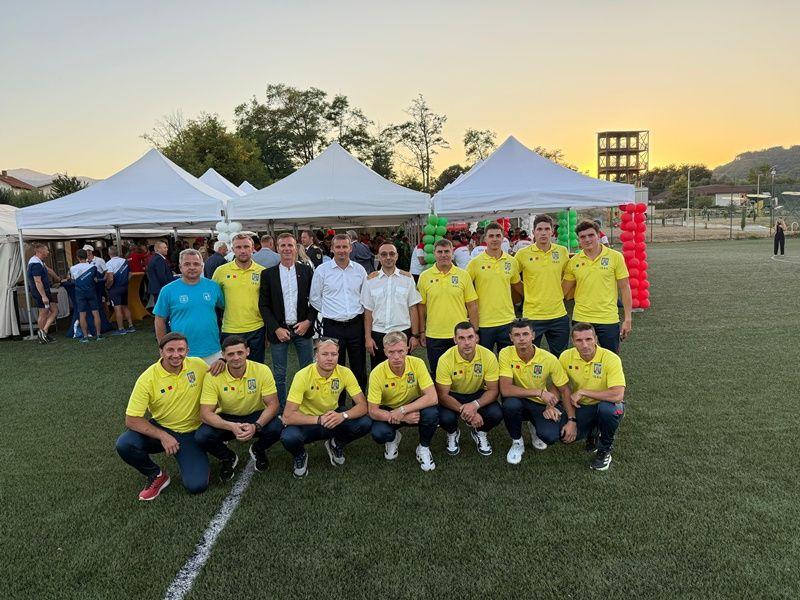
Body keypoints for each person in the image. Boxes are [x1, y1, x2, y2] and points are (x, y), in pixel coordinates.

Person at [115, 332, 209, 500]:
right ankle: (156, 475)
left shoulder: (198, 365)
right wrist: (163, 436)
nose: (176, 355)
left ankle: (197, 451)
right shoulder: (147, 378)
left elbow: (219, 377)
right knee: (125, 444)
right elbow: (131, 419)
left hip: (192, 433)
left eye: (180, 350)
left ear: (187, 351)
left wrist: (222, 362)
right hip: (163, 427)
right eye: (170, 350)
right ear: (161, 352)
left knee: (196, 486)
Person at [280, 338, 372, 478]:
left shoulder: (345, 372)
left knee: (365, 422)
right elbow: (287, 416)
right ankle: (300, 455)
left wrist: (342, 416)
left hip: (332, 419)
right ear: (316, 355)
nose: (330, 358)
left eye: (333, 354)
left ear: (338, 355)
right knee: (289, 437)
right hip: (308, 422)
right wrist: (319, 419)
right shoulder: (302, 375)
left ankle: (336, 444)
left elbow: (363, 406)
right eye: (325, 354)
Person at [195, 335, 284, 478]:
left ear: (247, 351)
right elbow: (205, 414)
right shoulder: (213, 375)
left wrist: (256, 426)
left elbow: (273, 405)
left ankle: (258, 449)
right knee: (202, 436)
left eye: (240, 353)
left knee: (278, 426)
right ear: (223, 355)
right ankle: (227, 457)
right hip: (227, 417)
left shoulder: (262, 370)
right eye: (230, 354)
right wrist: (231, 426)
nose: (236, 357)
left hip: (255, 414)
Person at [499, 319, 572, 465]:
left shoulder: (548, 358)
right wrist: (539, 392)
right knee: (510, 405)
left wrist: (554, 407)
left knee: (550, 437)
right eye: (517, 335)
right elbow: (506, 389)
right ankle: (517, 442)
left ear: (533, 335)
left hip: (540, 403)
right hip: (517, 399)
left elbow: (563, 388)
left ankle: (534, 425)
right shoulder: (505, 353)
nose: (521, 339)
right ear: (511, 337)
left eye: (525, 334)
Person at [259, 233, 317, 408]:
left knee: (307, 372)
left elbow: (315, 300)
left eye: (290, 245)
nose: (286, 249)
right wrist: (276, 328)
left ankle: (307, 406)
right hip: (279, 331)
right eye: (283, 245)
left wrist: (308, 322)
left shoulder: (306, 271)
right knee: (279, 374)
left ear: (296, 248)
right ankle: (281, 409)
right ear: (277, 248)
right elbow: (263, 305)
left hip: (303, 329)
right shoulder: (268, 274)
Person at [559, 322, 626, 471]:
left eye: (588, 339)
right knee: (563, 436)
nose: (584, 345)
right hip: (582, 405)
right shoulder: (566, 356)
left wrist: (583, 392)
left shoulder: (611, 358)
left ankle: (604, 450)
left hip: (607, 404)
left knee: (607, 411)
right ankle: (593, 431)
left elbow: (617, 394)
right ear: (573, 341)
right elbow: (561, 387)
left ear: (595, 339)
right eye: (579, 340)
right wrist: (570, 419)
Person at [368, 331, 439, 472]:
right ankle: (393, 438)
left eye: (400, 351)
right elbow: (372, 411)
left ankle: (423, 447)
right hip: (390, 409)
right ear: (385, 352)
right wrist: (402, 417)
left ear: (407, 349)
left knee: (432, 413)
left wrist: (403, 410)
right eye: (391, 352)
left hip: (412, 406)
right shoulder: (376, 373)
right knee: (379, 433)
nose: (396, 357)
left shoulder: (417, 363)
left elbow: (432, 397)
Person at [310, 233, 368, 401]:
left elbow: (365, 296)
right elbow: (314, 297)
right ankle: (338, 404)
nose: (341, 250)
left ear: (350, 248)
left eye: (345, 247)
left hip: (355, 324)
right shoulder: (322, 270)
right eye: (338, 247)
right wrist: (330, 311)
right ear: (332, 248)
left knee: (359, 366)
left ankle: (360, 404)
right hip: (332, 326)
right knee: (334, 366)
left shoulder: (359, 270)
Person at [562, 220, 632, 354]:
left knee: (610, 358)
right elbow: (563, 291)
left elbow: (625, 288)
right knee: (583, 358)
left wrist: (628, 319)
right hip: (581, 318)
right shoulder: (573, 261)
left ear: (598, 235)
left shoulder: (615, 257)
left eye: (591, 235)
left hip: (608, 318)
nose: (587, 239)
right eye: (583, 237)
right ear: (578, 240)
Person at [435, 322, 502, 457]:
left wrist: (475, 405)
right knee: (444, 418)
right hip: (453, 395)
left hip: (478, 393)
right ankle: (453, 433)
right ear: (455, 340)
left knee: (496, 414)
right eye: (461, 338)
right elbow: (442, 395)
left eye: (470, 337)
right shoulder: (445, 359)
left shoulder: (488, 356)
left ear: (476, 338)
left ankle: (480, 432)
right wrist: (468, 411)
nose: (466, 343)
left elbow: (493, 391)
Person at [417, 238, 479, 375]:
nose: (443, 255)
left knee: (462, 373)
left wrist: (474, 331)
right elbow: (421, 308)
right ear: (434, 253)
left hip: (460, 334)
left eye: (447, 251)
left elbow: (472, 305)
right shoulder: (424, 277)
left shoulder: (463, 275)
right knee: (438, 373)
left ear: (452, 253)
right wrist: (421, 332)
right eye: (440, 252)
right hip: (434, 334)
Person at [154, 249, 226, 367]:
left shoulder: (213, 286)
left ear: (202, 266)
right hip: (181, 352)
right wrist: (163, 347)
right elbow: (159, 319)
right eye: (187, 264)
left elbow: (225, 308)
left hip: (212, 350)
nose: (192, 267)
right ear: (180, 267)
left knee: (213, 379)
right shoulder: (168, 290)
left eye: (196, 264)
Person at [516, 214, 571, 357]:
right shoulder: (522, 254)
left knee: (561, 357)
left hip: (558, 315)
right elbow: (513, 278)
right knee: (529, 357)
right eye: (539, 229)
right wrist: (526, 293)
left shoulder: (562, 251)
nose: (543, 233)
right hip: (533, 316)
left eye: (547, 229)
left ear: (552, 231)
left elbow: (570, 276)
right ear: (533, 232)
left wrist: (561, 294)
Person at [361, 243, 422, 368]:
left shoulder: (407, 279)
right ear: (379, 257)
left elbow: (413, 308)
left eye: (391, 254)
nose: (388, 257)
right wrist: (368, 338)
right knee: (379, 370)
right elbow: (368, 312)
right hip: (378, 333)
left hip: (402, 333)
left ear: (397, 256)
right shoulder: (370, 280)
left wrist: (415, 335)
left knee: (403, 371)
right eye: (384, 254)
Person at [466, 222, 522, 353]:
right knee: (485, 361)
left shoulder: (511, 261)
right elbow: (465, 289)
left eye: (498, 236)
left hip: (507, 321)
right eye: (491, 236)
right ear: (485, 239)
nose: (495, 239)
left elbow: (517, 286)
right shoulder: (475, 263)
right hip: (484, 323)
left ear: (503, 238)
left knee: (508, 360)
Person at [213, 233, 267, 363]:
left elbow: (267, 302)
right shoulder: (221, 271)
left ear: (252, 248)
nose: (242, 251)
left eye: (246, 247)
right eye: (238, 247)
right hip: (230, 329)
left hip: (257, 329)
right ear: (232, 249)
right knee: (232, 368)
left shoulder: (262, 271)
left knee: (255, 368)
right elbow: (214, 299)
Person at [26, 242, 60, 344]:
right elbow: (37, 281)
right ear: (40, 251)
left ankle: (43, 332)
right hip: (40, 292)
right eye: (46, 250)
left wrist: (58, 278)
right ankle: (42, 336)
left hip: (45, 291)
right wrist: (43, 296)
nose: (48, 252)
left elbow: (49, 270)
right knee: (43, 313)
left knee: (55, 310)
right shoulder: (35, 264)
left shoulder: (40, 261)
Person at [69, 249, 103, 342]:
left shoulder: (73, 268)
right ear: (87, 256)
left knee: (82, 314)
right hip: (91, 291)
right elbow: (95, 279)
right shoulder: (93, 267)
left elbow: (73, 280)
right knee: (96, 313)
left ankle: (85, 337)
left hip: (80, 293)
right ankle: (99, 335)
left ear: (77, 257)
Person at [105, 245, 135, 335]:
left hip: (115, 288)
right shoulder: (125, 261)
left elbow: (110, 278)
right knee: (125, 306)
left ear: (109, 253)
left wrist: (108, 286)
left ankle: (121, 329)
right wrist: (125, 282)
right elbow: (130, 274)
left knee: (117, 308)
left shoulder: (109, 263)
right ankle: (131, 326)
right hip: (124, 287)